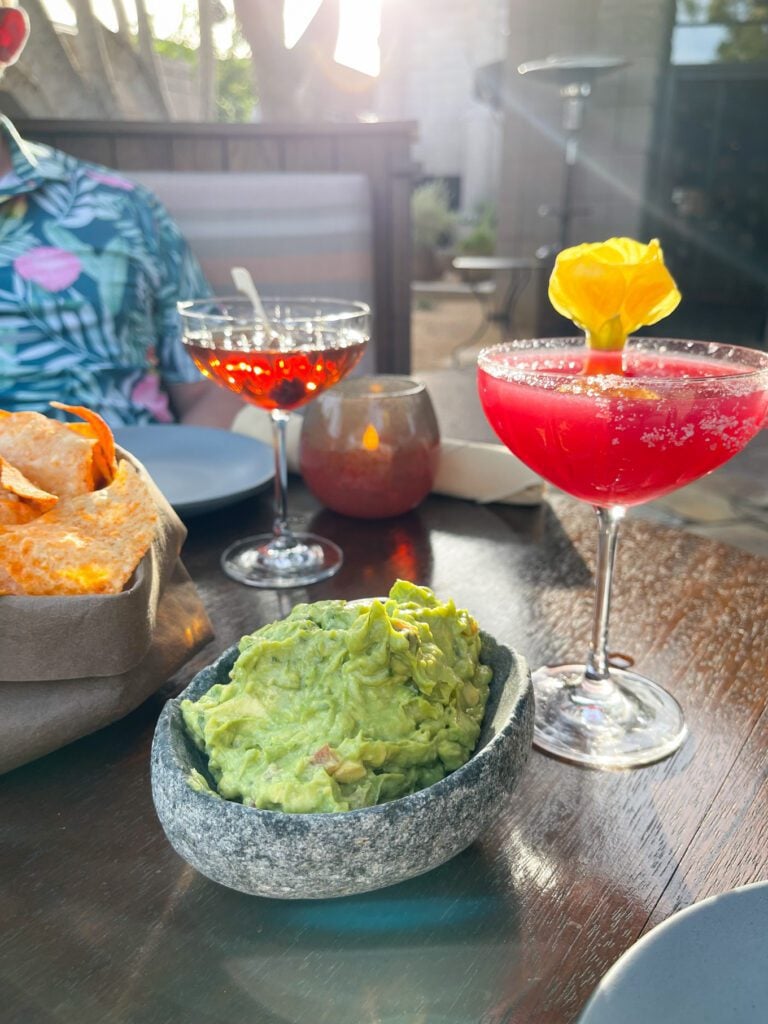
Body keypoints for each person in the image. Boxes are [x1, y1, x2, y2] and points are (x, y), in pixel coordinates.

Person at [0, 1, 242, 428]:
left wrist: (174, 487)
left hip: (131, 483)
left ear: (6, 35)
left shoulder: (124, 209)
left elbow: (212, 389)